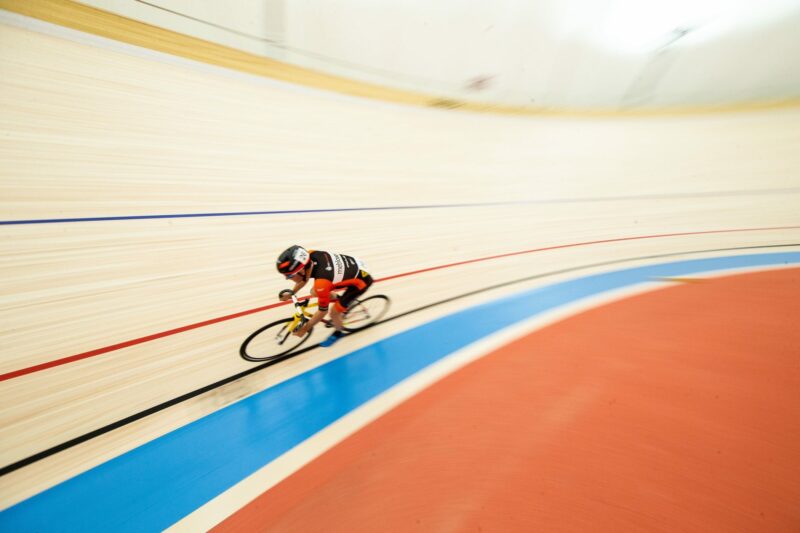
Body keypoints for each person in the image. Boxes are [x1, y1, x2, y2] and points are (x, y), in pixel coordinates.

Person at [276, 245, 373, 347]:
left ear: (301, 270)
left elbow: (322, 311)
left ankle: (338, 333)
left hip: (361, 283)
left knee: (333, 313)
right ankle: (340, 301)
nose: (287, 278)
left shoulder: (322, 283)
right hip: (356, 267)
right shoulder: (310, 254)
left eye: (289, 275)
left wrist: (305, 329)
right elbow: (305, 277)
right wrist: (293, 292)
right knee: (314, 292)